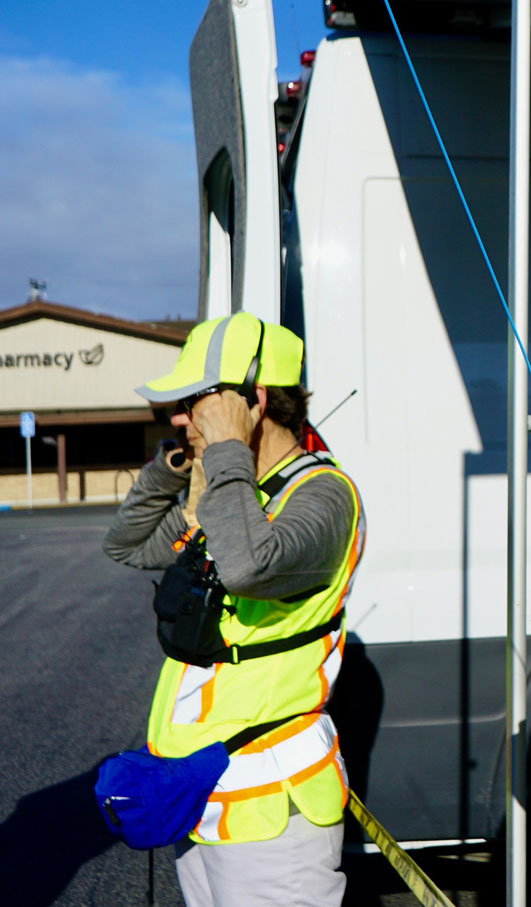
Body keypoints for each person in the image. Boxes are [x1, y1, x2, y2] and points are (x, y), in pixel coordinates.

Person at [104, 312, 365, 907]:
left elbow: (250, 564)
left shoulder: (324, 494)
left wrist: (224, 452)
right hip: (204, 796)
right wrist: (172, 468)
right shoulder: (227, 489)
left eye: (195, 401)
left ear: (256, 400)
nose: (178, 417)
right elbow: (126, 546)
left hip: (275, 807)